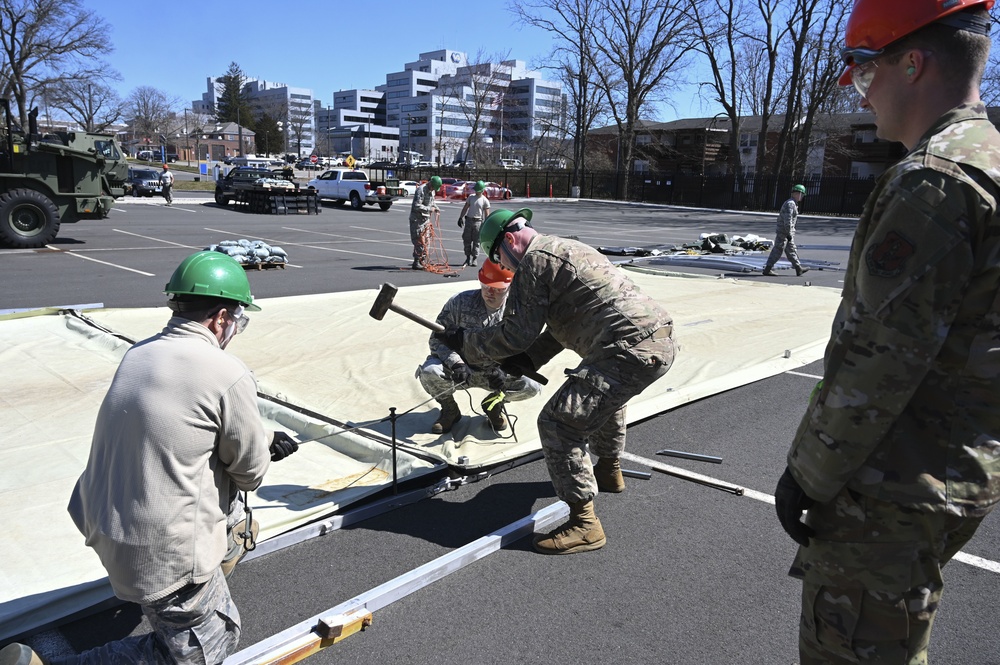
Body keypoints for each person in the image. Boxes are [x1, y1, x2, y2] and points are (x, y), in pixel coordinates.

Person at [773, 1, 1000, 663]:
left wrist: (807, 474)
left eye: (866, 74)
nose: (863, 96)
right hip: (954, 467)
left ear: (913, 62)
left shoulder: (934, 182)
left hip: (894, 487)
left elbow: (878, 364)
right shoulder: (989, 158)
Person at [0, 252, 300, 665]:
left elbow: (181, 426)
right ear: (221, 318)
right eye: (238, 320)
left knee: (234, 528)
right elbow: (248, 474)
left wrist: (263, 437)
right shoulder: (226, 370)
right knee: (206, 646)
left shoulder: (139, 354)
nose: (235, 330)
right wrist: (262, 448)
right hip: (157, 549)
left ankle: (207, 571)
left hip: (105, 520)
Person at [435, 208, 675, 555]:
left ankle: (584, 524)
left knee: (558, 423)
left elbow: (514, 334)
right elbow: (560, 327)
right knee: (605, 399)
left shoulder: (533, 262)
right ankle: (609, 470)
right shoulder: (567, 249)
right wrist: (527, 361)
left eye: (499, 256)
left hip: (625, 350)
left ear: (511, 239)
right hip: (655, 340)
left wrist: (466, 343)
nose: (504, 266)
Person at [417, 259, 543, 434]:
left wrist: (505, 370)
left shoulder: (519, 312)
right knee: (430, 372)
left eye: (497, 288)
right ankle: (450, 410)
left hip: (496, 376)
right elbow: (437, 340)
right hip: (461, 372)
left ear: (510, 285)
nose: (490, 292)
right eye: (485, 286)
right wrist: (456, 363)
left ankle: (494, 405)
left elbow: (528, 350)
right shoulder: (460, 302)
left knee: (532, 385)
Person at [762, 184, 808, 276]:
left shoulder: (793, 203)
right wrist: (788, 233)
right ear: (797, 193)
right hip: (784, 232)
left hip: (786, 232)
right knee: (778, 250)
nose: (802, 197)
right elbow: (788, 220)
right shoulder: (790, 204)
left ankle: (798, 268)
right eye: (801, 194)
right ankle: (767, 269)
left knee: (791, 250)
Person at [408, 175, 442, 270]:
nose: (433, 189)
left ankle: (422, 260)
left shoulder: (432, 191)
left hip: (425, 219)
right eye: (433, 187)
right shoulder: (421, 190)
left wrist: (436, 208)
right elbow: (416, 205)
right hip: (417, 220)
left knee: (427, 241)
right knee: (419, 241)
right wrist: (429, 209)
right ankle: (416, 261)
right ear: (430, 183)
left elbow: (432, 202)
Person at [456, 180, 491, 267]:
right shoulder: (471, 197)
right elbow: (465, 208)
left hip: (478, 222)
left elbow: (487, 214)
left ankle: (474, 258)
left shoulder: (485, 200)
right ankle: (467, 258)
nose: (477, 191)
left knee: (476, 241)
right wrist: (461, 217)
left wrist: (486, 225)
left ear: (482, 190)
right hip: (469, 221)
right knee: (467, 240)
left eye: (478, 190)